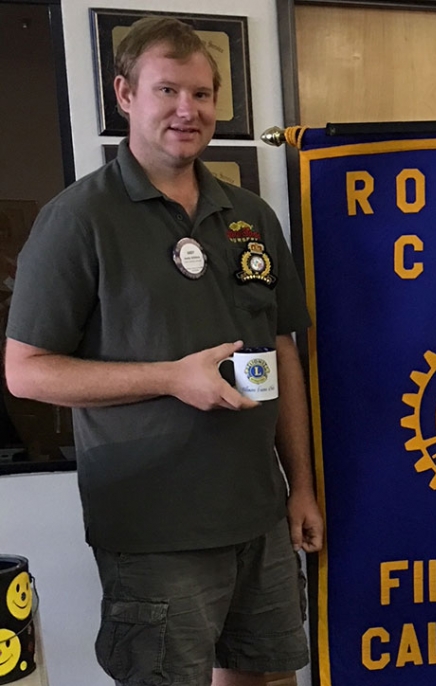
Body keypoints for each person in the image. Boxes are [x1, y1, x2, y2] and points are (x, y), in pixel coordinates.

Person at [4, 17, 323, 686]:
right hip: (155, 531)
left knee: (268, 678)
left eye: (203, 95)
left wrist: (302, 488)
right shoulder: (79, 219)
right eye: (168, 91)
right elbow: (25, 371)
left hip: (258, 516)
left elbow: (285, 351)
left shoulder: (249, 216)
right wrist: (171, 378)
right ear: (126, 95)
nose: (189, 110)